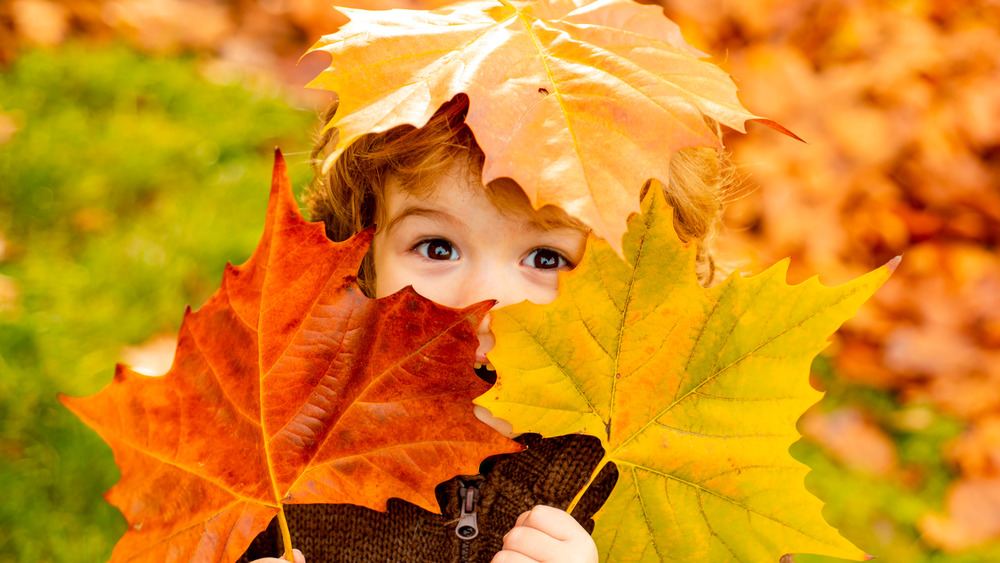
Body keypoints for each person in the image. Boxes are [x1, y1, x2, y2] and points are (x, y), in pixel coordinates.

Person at [240, 92, 730, 562]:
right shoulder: (284, 450)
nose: (480, 301)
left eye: (545, 258)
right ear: (361, 259)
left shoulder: (673, 476)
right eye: (437, 248)